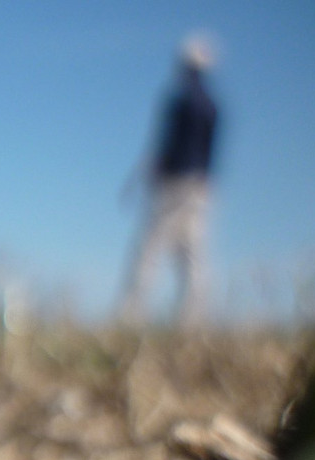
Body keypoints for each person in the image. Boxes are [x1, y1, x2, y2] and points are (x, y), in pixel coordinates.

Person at [118, 35, 220, 327]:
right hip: (200, 187)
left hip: (174, 185)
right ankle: (195, 321)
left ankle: (130, 314)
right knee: (194, 254)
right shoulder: (212, 106)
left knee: (149, 249)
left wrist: (152, 175)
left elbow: (165, 146)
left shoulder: (180, 102)